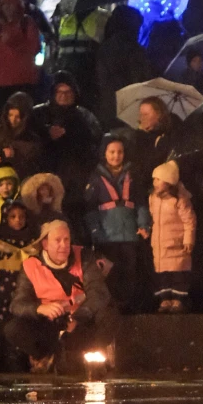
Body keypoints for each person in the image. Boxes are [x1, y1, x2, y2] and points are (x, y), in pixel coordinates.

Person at [6, 217, 117, 371]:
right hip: (50, 324)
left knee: (108, 314)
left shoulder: (84, 257)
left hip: (80, 322)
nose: (64, 245)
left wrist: (79, 316)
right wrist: (39, 309)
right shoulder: (31, 266)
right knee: (14, 328)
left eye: (66, 240)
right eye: (57, 240)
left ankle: (94, 356)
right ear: (45, 244)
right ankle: (44, 357)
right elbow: (17, 304)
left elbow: (98, 292)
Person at [84, 132, 149, 313]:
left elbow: (141, 204)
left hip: (130, 234)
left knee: (130, 271)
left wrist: (144, 225)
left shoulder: (133, 175)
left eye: (119, 152)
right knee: (110, 272)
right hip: (107, 236)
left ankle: (128, 307)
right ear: (104, 153)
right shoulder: (96, 178)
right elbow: (90, 209)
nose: (116, 156)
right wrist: (95, 232)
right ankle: (111, 308)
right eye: (111, 152)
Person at [33, 74, 101, 220]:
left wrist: (71, 135)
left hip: (76, 181)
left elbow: (94, 141)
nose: (63, 96)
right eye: (59, 92)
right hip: (47, 178)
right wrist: (47, 134)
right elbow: (31, 141)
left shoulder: (84, 116)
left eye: (68, 92)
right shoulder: (39, 113)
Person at [0, 197, 36, 368]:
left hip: (21, 297)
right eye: (13, 216)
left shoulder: (32, 244)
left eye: (21, 217)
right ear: (5, 218)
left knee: (18, 330)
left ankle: (16, 363)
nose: (18, 220)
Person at [149, 160, 196, 312]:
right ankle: (165, 299)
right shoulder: (153, 198)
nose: (155, 182)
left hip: (176, 243)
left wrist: (188, 239)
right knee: (163, 273)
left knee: (177, 273)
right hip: (160, 242)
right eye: (154, 179)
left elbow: (189, 220)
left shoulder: (180, 199)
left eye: (158, 179)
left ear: (168, 181)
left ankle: (178, 299)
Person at [0, 0, 42, 104]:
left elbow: (34, 48)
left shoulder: (26, 23)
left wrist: (12, 41)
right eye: (5, 5)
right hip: (2, 83)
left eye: (11, 4)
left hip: (25, 80)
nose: (8, 8)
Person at [97, 6, 152, 122]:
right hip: (131, 109)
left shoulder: (103, 49)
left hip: (108, 109)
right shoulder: (135, 50)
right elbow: (141, 79)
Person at [0, 92, 44, 180]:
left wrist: (13, 158)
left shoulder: (32, 141)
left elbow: (33, 170)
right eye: (10, 115)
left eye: (18, 117)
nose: (13, 120)